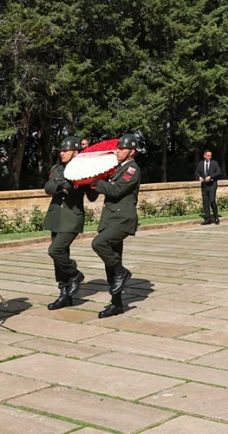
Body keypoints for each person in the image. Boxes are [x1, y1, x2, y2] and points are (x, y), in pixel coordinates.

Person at [43, 136, 98, 311]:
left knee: (55, 250)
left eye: (66, 151)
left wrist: (94, 182)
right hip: (56, 216)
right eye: (61, 150)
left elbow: (92, 196)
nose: (62, 153)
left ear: (76, 152)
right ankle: (64, 294)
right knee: (60, 257)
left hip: (72, 217)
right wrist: (59, 187)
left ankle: (75, 274)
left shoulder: (85, 170)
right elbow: (48, 187)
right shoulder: (57, 169)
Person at [91, 133, 141, 319]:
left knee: (98, 244)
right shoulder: (116, 169)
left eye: (122, 149)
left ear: (131, 152)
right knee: (110, 265)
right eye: (118, 148)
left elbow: (117, 190)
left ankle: (122, 272)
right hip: (110, 218)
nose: (118, 151)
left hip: (122, 219)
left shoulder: (132, 170)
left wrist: (98, 183)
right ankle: (117, 304)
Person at [195, 149, 223, 225]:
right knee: (205, 202)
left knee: (212, 200)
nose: (209, 157)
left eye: (210, 156)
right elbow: (197, 172)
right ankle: (207, 219)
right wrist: (199, 177)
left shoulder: (214, 163)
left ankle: (216, 217)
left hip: (212, 184)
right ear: (204, 156)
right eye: (208, 156)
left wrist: (210, 176)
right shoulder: (201, 164)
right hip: (204, 185)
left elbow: (219, 172)